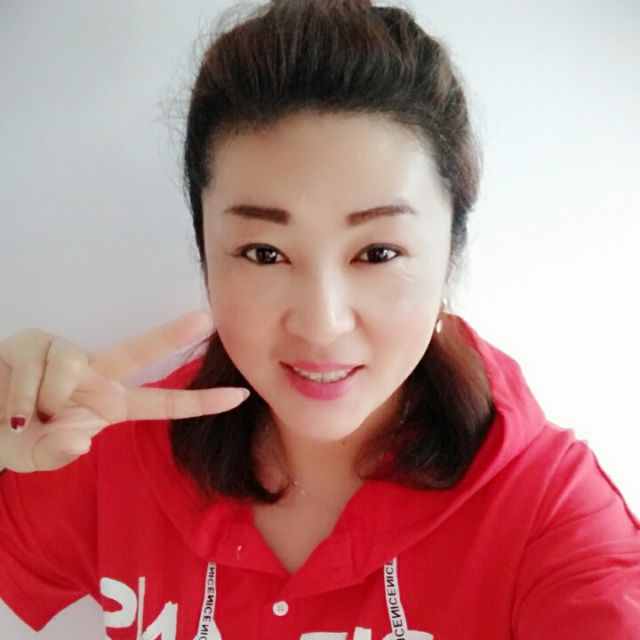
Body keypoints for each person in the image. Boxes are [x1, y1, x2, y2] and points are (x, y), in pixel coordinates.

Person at [0, 0, 638, 637]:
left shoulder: (548, 513)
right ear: (205, 252)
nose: (321, 323)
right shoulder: (104, 454)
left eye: (378, 252)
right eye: (264, 252)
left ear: (450, 254)